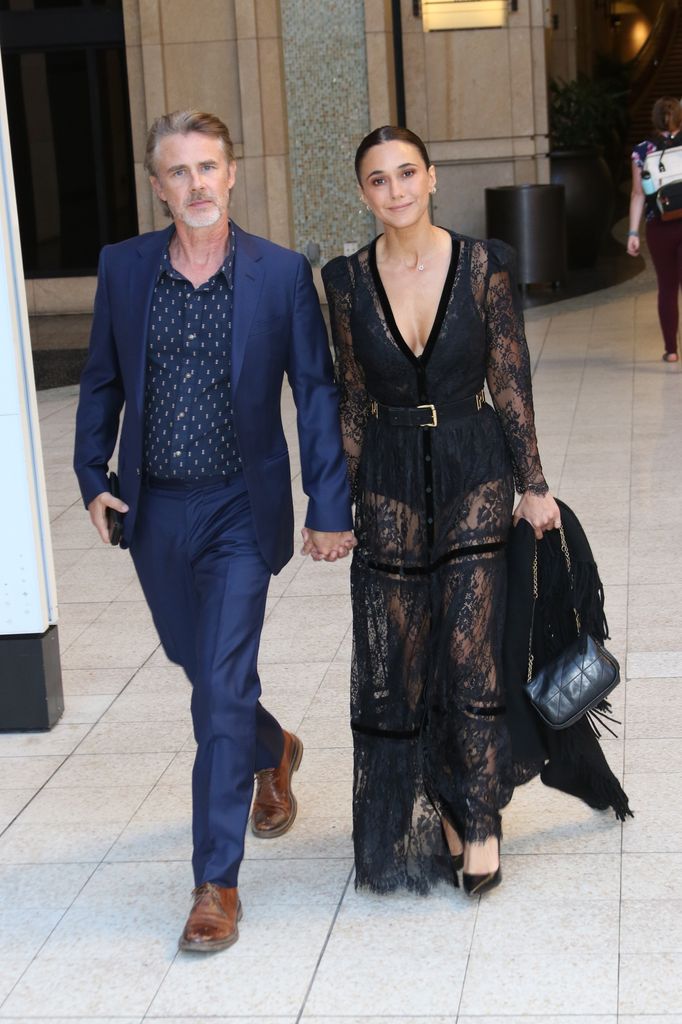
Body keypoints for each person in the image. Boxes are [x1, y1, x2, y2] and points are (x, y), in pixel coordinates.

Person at [73, 109, 354, 952]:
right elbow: (99, 380)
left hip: (239, 506)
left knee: (218, 690)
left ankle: (215, 883)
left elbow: (315, 392)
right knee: (200, 668)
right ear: (157, 186)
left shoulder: (276, 273)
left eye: (208, 167)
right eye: (177, 172)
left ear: (232, 174)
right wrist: (94, 477)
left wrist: (328, 505)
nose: (195, 184)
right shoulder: (124, 269)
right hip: (156, 510)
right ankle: (276, 747)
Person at [321, 125, 560, 898]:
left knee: (469, 652)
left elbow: (509, 376)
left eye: (406, 173)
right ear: (363, 193)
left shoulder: (485, 264)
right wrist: (340, 501)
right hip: (390, 472)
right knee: (408, 662)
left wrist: (534, 482)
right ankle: (444, 806)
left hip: (473, 464)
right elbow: (352, 397)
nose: (395, 190)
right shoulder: (347, 281)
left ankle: (481, 817)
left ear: (432, 179)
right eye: (378, 180)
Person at [628, 96, 682, 362]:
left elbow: (638, 194)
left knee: (667, 287)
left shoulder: (642, 151)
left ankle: (671, 350)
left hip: (659, 227)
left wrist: (632, 233)